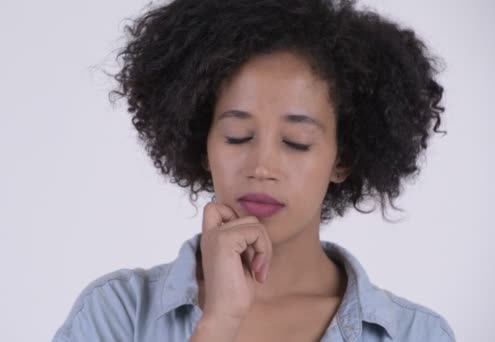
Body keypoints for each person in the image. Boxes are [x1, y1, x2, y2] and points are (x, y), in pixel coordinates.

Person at [52, 0, 455, 341]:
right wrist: (219, 323)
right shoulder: (117, 315)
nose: (261, 167)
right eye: (237, 136)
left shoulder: (414, 333)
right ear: (202, 143)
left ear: (341, 159)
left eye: (296, 142)